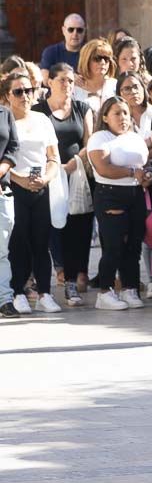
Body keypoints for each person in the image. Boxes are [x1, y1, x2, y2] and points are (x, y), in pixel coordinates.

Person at [34, 63, 94, 307]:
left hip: (77, 176)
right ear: (50, 82)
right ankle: (52, 279)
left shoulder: (82, 108)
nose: (67, 85)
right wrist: (54, 168)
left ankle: (72, 280)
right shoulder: (39, 111)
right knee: (53, 229)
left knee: (79, 229)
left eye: (71, 81)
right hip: (50, 177)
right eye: (62, 80)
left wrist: (73, 163)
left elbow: (90, 142)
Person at [87, 96, 152, 311]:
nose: (122, 117)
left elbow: (145, 164)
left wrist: (148, 174)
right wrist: (133, 172)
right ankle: (105, 291)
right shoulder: (100, 138)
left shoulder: (135, 138)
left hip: (135, 194)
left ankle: (130, 288)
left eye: (125, 112)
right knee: (114, 245)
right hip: (110, 194)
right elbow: (103, 168)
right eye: (117, 113)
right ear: (105, 117)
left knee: (133, 245)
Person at [5, 72, 61, 313]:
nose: (25, 96)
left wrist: (45, 179)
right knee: (17, 242)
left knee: (41, 242)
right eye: (18, 92)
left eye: (29, 90)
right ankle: (18, 291)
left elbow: (54, 157)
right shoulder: (4, 120)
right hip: (13, 187)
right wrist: (20, 179)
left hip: (40, 188)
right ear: (7, 96)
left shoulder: (42, 120)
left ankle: (45, 292)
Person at [0, 98, 19, 317]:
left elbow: (13, 148)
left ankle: (5, 299)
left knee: (2, 250)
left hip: (2, 191)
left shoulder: (5, 113)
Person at [73, 39, 117, 115]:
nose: (103, 62)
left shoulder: (115, 85)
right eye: (97, 58)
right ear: (86, 60)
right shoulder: (74, 87)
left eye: (106, 59)